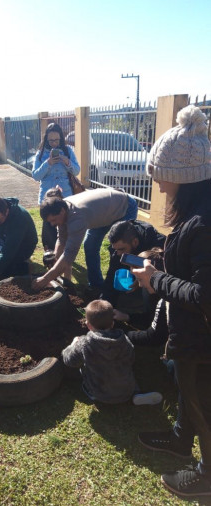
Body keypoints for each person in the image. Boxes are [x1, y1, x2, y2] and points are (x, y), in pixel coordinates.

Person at [132, 105, 211, 497]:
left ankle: (207, 476)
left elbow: (203, 295)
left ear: (185, 178)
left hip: (202, 339)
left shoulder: (204, 222)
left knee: (203, 402)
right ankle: (181, 440)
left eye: (163, 179)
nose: (159, 187)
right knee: (188, 389)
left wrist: (156, 280)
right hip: (191, 336)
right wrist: (162, 260)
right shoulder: (198, 211)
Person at [32, 187, 137, 291]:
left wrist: (46, 278)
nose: (52, 224)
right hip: (101, 212)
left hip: (124, 207)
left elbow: (69, 255)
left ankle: (125, 286)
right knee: (90, 246)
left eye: (53, 220)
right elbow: (62, 240)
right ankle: (97, 285)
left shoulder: (76, 218)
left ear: (62, 211)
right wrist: (55, 260)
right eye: (50, 221)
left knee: (119, 249)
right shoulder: (60, 207)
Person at [62, 299, 162, 405]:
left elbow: (69, 361)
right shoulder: (124, 339)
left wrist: (72, 345)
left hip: (100, 394)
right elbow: (131, 359)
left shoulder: (84, 344)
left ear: (88, 325)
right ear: (113, 323)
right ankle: (135, 394)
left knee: (83, 369)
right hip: (127, 390)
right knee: (126, 373)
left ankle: (95, 395)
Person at [101, 220, 166, 327]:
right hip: (137, 271)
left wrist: (141, 279)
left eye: (121, 249)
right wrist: (104, 306)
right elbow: (110, 277)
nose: (118, 254)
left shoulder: (158, 245)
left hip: (154, 279)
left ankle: (148, 321)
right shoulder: (118, 250)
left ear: (135, 242)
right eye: (115, 249)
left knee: (149, 294)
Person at [0, 197, 38, 299]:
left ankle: (25, 267)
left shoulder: (19, 219)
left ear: (7, 212)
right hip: (0, 240)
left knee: (6, 272)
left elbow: (7, 253)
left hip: (22, 245)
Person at [32, 122, 80, 250]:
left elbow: (76, 171)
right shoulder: (41, 154)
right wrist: (47, 163)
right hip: (47, 196)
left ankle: (66, 254)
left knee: (65, 225)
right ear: (46, 139)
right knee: (49, 225)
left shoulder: (68, 150)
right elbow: (36, 176)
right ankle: (50, 252)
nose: (54, 143)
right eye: (51, 140)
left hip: (65, 195)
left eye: (57, 140)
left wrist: (66, 161)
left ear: (61, 138)